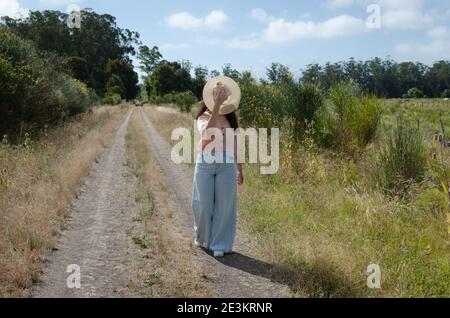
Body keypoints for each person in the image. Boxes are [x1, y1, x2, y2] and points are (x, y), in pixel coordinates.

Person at [192, 77, 244, 258]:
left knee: (225, 205)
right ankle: (202, 237)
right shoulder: (202, 117)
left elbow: (236, 144)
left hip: (227, 164)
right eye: (217, 94)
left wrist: (240, 168)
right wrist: (216, 106)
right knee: (204, 203)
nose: (220, 97)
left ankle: (220, 244)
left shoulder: (231, 118)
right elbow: (208, 133)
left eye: (222, 95)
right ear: (210, 96)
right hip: (205, 163)